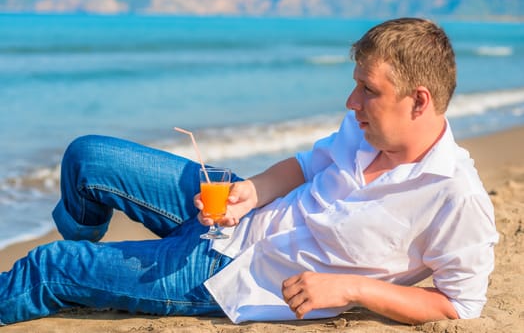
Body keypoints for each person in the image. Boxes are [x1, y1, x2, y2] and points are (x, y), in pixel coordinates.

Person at [0, 17, 498, 326]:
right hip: (236, 209)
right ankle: (97, 254)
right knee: (86, 157)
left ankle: (86, 271)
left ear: (419, 101)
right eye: (355, 86)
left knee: (50, 266)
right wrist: (252, 190)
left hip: (228, 273)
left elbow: (460, 305)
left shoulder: (455, 197)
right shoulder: (364, 130)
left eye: (368, 90)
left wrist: (350, 289)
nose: (352, 103)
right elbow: (305, 166)